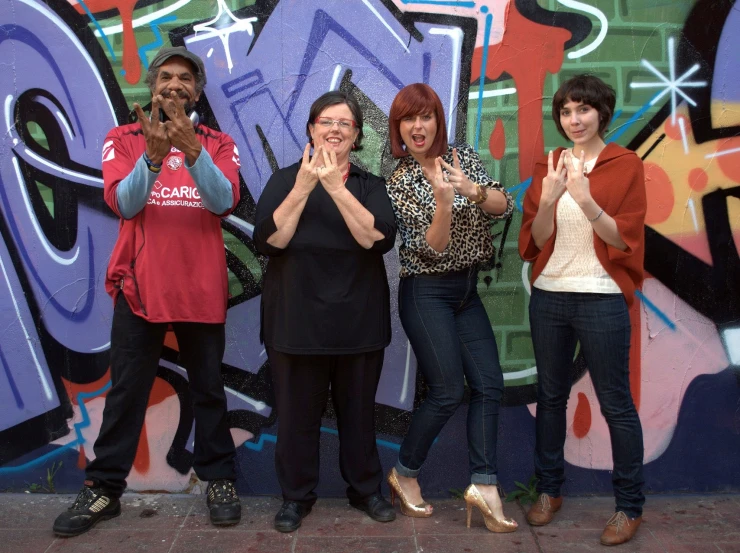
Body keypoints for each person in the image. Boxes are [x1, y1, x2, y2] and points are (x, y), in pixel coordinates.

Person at [52, 46, 242, 537]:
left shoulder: (218, 142)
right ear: (152, 86)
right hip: (140, 286)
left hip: (199, 287)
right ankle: (105, 488)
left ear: (197, 90)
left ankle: (219, 479)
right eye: (166, 77)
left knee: (208, 391)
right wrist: (154, 159)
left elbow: (223, 201)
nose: (175, 85)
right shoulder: (124, 138)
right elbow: (124, 204)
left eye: (185, 78)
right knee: (126, 393)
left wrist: (192, 152)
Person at [253, 91, 398, 533]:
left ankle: (366, 491)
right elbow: (270, 241)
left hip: (358, 323)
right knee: (297, 419)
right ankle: (296, 498)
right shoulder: (283, 180)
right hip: (295, 324)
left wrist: (336, 186)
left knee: (358, 418)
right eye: (325, 121)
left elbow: (376, 239)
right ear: (312, 129)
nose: (334, 129)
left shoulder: (370, 185)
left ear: (356, 137)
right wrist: (305, 185)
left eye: (345, 124)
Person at [518, 74, 646, 546]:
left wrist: (587, 200)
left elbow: (625, 239)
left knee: (616, 404)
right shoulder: (549, 165)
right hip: (551, 295)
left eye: (583, 110)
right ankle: (549, 491)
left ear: (601, 113)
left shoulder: (624, 164)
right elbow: (533, 243)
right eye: (566, 112)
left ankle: (629, 506)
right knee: (551, 397)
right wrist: (550, 198)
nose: (574, 119)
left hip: (602, 297)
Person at [383, 83, 516, 533]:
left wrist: (471, 190)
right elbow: (431, 249)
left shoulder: (463, 158)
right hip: (426, 293)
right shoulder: (399, 180)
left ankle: (484, 484)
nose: (417, 127)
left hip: (465, 292)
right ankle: (404, 473)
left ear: (438, 120)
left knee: (489, 384)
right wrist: (443, 201)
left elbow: (503, 204)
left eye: (425, 117)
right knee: (446, 390)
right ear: (398, 127)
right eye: (408, 119)